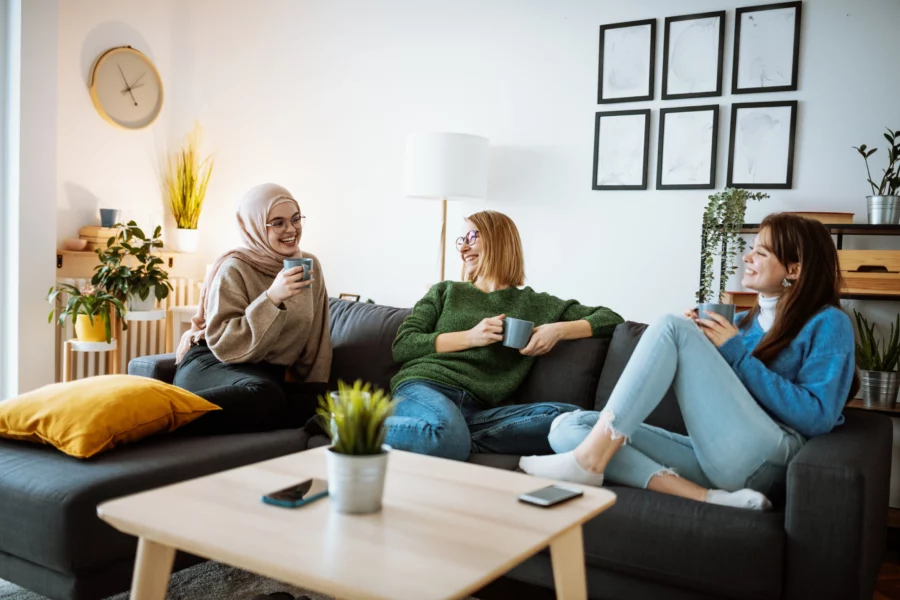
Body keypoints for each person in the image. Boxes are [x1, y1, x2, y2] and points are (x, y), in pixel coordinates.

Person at [520, 213, 858, 510]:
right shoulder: (739, 324)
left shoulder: (828, 323)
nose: (747, 257)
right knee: (567, 427)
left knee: (671, 326)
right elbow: (718, 400)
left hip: (771, 458)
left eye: (761, 251)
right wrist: (701, 346)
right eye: (751, 248)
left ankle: (587, 460)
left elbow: (817, 417)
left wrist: (730, 352)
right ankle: (706, 498)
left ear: (794, 269)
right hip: (715, 455)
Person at [387, 210, 623, 461]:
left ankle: (456, 437)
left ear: (498, 240)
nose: (463, 248)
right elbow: (403, 345)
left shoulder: (535, 304)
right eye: (461, 240)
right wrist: (471, 336)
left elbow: (610, 319)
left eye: (471, 237)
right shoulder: (445, 291)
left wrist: (557, 329)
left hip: (479, 409)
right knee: (447, 438)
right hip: (424, 386)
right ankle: (350, 426)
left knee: (572, 419)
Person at [172, 183, 332, 434]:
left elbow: (316, 340)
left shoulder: (310, 266)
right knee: (266, 396)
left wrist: (315, 392)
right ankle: (161, 420)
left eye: (295, 219)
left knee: (324, 404)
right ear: (255, 226)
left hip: (262, 375)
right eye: (277, 223)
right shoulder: (234, 267)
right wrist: (272, 297)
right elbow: (225, 344)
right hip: (213, 364)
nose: (291, 229)